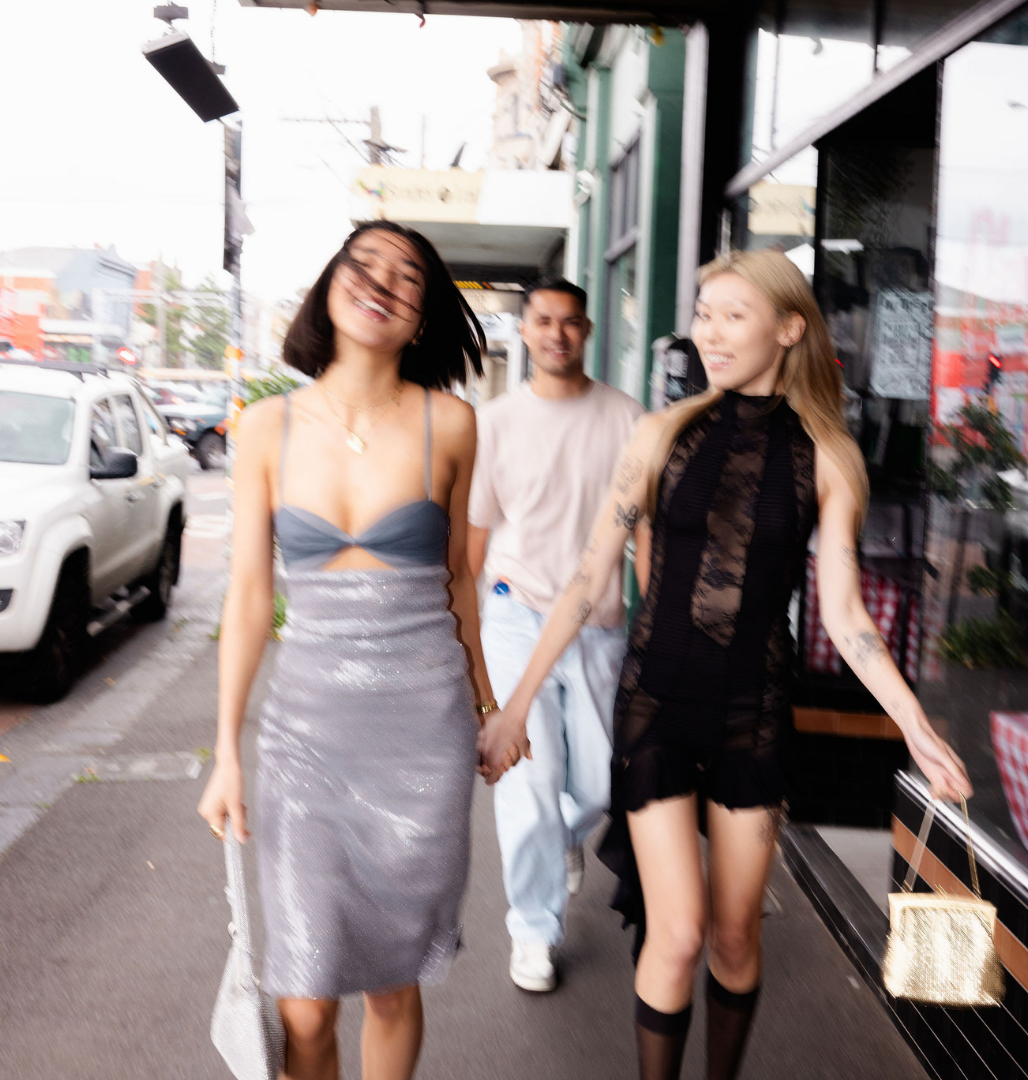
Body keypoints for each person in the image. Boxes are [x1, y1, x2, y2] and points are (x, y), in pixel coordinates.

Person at [481, 250, 972, 1079]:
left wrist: (914, 725)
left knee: (736, 936)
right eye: (703, 313)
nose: (709, 331)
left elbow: (846, 614)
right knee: (676, 932)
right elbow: (588, 578)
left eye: (732, 315)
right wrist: (516, 702)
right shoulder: (659, 432)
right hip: (657, 698)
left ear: (789, 329)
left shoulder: (827, 455)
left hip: (754, 707)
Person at [198, 222, 498, 1080]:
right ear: (330, 287)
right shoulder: (264, 427)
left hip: (422, 731)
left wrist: (486, 707)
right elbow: (251, 596)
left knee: (395, 986)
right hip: (306, 733)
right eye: (363, 264)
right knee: (303, 995)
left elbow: (459, 585)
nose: (381, 282)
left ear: (423, 316)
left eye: (406, 276)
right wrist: (225, 753)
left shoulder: (453, 425)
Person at [466, 277, 645, 992]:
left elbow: (647, 532)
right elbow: (476, 539)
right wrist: (468, 644)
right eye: (544, 321)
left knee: (602, 782)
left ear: (589, 331)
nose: (557, 334)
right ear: (527, 330)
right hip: (515, 615)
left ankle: (562, 840)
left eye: (571, 322)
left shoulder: (628, 418)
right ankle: (533, 931)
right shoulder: (497, 422)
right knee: (531, 782)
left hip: (600, 623)